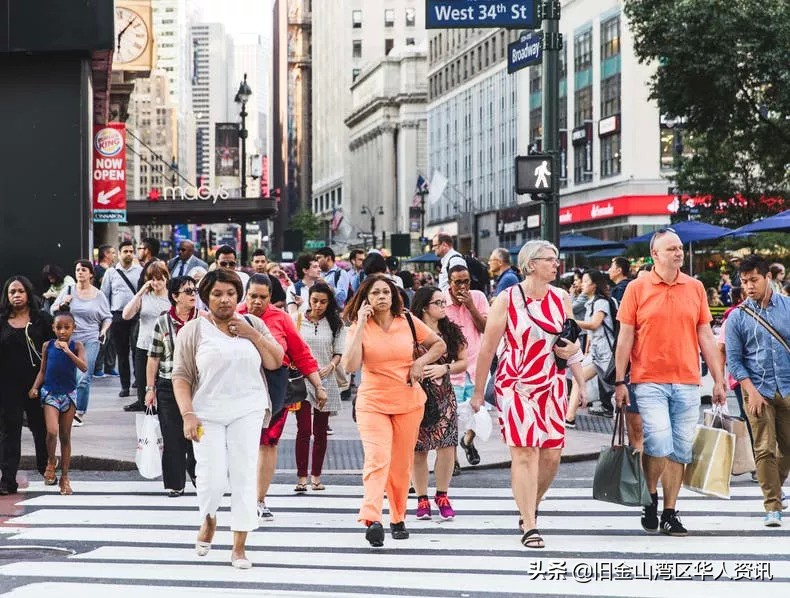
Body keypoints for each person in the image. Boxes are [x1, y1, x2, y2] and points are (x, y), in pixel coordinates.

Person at [471, 240, 587, 549]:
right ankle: (530, 524)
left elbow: (568, 343)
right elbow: (488, 349)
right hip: (515, 384)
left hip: (551, 384)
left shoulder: (561, 297)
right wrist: (479, 394)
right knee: (525, 453)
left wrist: (581, 380)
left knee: (551, 457)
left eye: (556, 259)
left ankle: (529, 504)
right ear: (531, 264)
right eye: (549, 260)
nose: (556, 265)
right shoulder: (507, 299)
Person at [614, 228, 726, 537]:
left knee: (680, 450)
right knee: (659, 442)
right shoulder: (637, 288)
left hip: (688, 379)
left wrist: (718, 379)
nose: (679, 253)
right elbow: (625, 336)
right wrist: (619, 380)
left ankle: (670, 512)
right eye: (671, 249)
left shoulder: (695, 287)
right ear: (655, 256)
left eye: (680, 248)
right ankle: (650, 495)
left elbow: (705, 333)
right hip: (648, 379)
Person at [172, 269, 284, 569]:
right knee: (211, 479)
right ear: (206, 298)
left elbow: (275, 360)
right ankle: (208, 518)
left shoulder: (253, 323)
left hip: (248, 408)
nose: (225, 300)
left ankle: (239, 547)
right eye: (217, 294)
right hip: (205, 413)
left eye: (231, 294)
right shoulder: (193, 330)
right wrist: (187, 413)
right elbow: (181, 375)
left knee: (244, 476)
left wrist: (252, 334)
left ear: (239, 296)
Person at [341, 275, 446, 547]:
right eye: (375, 293)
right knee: (377, 459)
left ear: (394, 295)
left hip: (408, 402)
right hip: (372, 402)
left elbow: (439, 345)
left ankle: (398, 517)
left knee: (400, 466)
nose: (381, 297)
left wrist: (420, 362)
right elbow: (350, 366)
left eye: (385, 292)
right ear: (366, 298)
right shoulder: (358, 326)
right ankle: (372, 517)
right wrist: (361, 322)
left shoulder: (408, 320)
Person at [239, 274, 323, 521]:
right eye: (252, 296)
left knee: (268, 442)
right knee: (242, 444)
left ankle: (259, 499)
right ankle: (242, 496)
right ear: (246, 294)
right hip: (240, 386)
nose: (256, 302)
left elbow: (302, 354)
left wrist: (318, 386)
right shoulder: (233, 314)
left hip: (275, 386)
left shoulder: (281, 318)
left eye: (262, 297)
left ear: (270, 298)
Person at [725, 255, 790, 527]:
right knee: (763, 448)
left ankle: (776, 485)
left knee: (787, 447)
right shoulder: (737, 317)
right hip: (757, 391)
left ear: (768, 278)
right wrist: (750, 390)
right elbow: (735, 359)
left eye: (754, 280)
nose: (749, 286)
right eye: (744, 282)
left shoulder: (788, 307)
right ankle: (772, 505)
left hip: (787, 388)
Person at [410, 286, 468, 520]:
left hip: (444, 395)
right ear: (425, 307)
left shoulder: (451, 331)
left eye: (444, 302)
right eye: (439, 303)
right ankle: (422, 498)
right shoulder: (410, 329)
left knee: (447, 447)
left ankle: (442, 495)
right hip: (416, 394)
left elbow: (463, 362)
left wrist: (444, 367)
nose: (444, 307)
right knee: (418, 448)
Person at [145, 276, 200, 497]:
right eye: (187, 291)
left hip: (197, 385)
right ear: (175, 296)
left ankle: (199, 476)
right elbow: (153, 357)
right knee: (172, 435)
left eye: (194, 290)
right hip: (168, 384)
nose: (192, 294)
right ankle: (176, 484)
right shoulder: (163, 322)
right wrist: (150, 389)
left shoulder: (203, 320)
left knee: (198, 433)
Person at [0, 276, 53, 495]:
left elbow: (55, 350)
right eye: (12, 292)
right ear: (7, 296)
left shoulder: (42, 320)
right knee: (9, 432)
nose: (17, 295)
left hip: (37, 383)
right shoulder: (1, 320)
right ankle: (8, 479)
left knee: (40, 429)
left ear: (29, 293)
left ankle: (46, 469)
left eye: (20, 291)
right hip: (7, 386)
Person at [28, 307, 87, 495]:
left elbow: (84, 367)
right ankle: (52, 460)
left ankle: (65, 477)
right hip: (50, 393)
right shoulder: (48, 346)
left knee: (65, 436)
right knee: (52, 432)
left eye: (67, 328)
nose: (62, 331)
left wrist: (68, 351)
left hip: (69, 394)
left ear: (73, 328)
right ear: (53, 328)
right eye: (59, 327)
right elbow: (43, 370)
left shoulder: (77, 346)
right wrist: (35, 387)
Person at [293, 282, 346, 491]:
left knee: (321, 431)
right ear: (308, 298)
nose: (318, 305)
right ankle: (301, 477)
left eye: (323, 301)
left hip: (326, 379)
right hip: (303, 380)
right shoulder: (297, 319)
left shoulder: (336, 323)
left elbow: (339, 352)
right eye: (314, 300)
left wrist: (331, 365)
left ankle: (316, 476)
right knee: (304, 429)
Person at [51, 260, 112, 424]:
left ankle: (79, 412)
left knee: (83, 377)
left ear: (91, 274)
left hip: (91, 339)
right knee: (68, 376)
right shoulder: (68, 290)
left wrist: (103, 331)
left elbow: (107, 317)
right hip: (70, 340)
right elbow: (53, 310)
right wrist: (63, 304)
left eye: (84, 270)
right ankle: (65, 409)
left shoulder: (98, 295)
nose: (80, 272)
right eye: (77, 269)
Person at [444, 265, 489, 467]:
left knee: (479, 414)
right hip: (452, 369)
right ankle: (452, 461)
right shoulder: (441, 302)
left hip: (475, 367)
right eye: (458, 282)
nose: (463, 286)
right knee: (449, 417)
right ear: (449, 282)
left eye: (466, 281)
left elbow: (485, 328)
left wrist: (471, 306)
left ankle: (467, 441)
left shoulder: (478, 298)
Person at [566, 270, 616, 423]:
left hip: (606, 353)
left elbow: (594, 324)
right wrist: (587, 348)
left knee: (614, 387)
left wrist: (571, 321)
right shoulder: (591, 302)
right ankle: (569, 417)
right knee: (577, 378)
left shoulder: (601, 302)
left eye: (586, 281)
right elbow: (590, 332)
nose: (582, 284)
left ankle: (570, 417)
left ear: (594, 285)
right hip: (596, 353)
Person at [122, 261, 171, 412]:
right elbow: (126, 315)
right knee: (144, 391)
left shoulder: (172, 297)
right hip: (144, 347)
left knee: (163, 391)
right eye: (152, 279)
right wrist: (140, 292)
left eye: (159, 279)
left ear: (166, 278)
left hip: (166, 349)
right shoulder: (144, 296)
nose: (156, 283)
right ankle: (149, 428)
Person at [101, 241, 143, 398]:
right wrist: (106, 318)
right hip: (117, 316)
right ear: (119, 254)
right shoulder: (111, 273)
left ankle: (138, 381)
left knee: (137, 350)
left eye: (131, 251)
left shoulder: (140, 271)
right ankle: (124, 386)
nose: (129, 254)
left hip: (136, 316)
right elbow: (104, 295)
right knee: (122, 352)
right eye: (125, 251)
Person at [93, 244, 118, 379]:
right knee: (104, 339)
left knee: (112, 340)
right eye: (113, 253)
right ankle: (98, 367)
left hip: (113, 309)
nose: (115, 255)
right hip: (102, 309)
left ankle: (110, 366)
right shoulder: (97, 270)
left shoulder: (113, 270)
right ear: (106, 254)